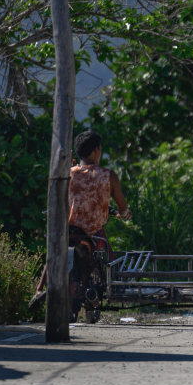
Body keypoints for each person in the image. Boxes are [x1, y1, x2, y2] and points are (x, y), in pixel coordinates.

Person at [29, 130, 130, 315]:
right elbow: (121, 205)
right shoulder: (108, 176)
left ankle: (38, 289)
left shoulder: (68, 174)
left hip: (70, 230)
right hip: (93, 232)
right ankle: (109, 288)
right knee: (109, 260)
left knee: (53, 252)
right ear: (96, 151)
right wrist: (124, 213)